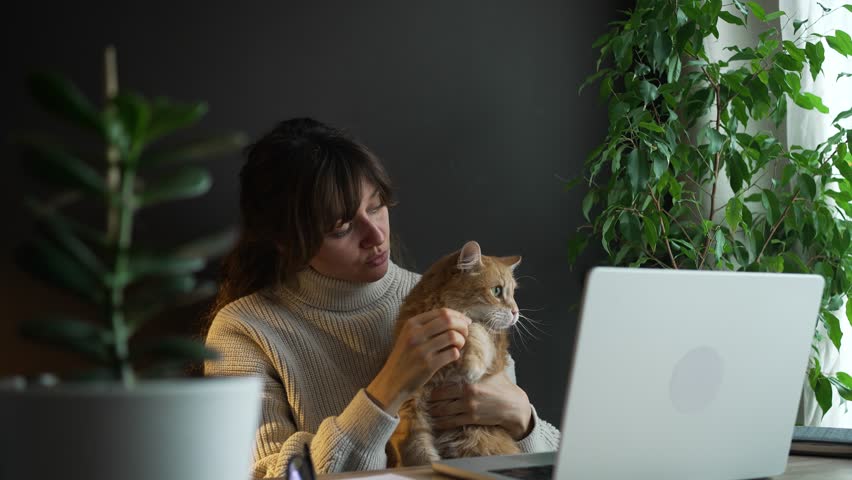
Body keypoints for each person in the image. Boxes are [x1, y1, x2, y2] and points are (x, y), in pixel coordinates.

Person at [204, 118, 560, 478]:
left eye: (376, 206)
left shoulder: (459, 296)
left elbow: (565, 462)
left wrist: (523, 420)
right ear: (285, 241)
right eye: (341, 228)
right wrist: (388, 389)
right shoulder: (243, 330)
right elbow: (270, 475)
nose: (375, 235)